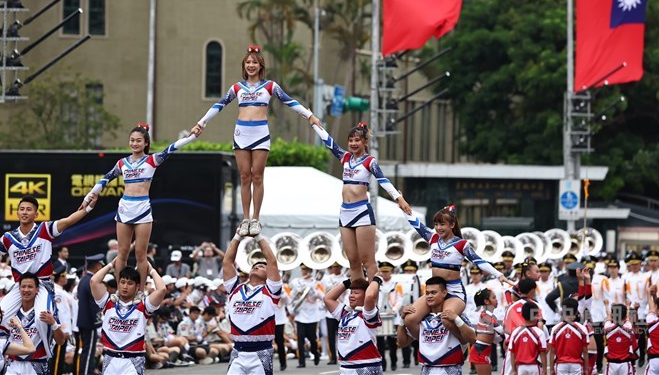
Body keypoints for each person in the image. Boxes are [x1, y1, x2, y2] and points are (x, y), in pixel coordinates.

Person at [192, 45, 322, 237]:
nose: (251, 65)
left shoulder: (270, 86)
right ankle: (245, 219)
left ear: (261, 66)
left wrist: (309, 115)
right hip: (241, 134)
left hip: (260, 134)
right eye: (248, 62)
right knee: (244, 176)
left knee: (257, 176)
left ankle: (256, 219)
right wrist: (201, 123)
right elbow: (219, 105)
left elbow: (290, 101)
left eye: (254, 62)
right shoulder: (237, 87)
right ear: (244, 66)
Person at [0, 196, 92, 351]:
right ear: (17, 213)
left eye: (28, 209)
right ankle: (3, 347)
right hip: (20, 286)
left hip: (42, 284)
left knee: (41, 317)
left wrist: (88, 208)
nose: (24, 212)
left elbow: (68, 220)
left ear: (36, 214)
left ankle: (45, 351)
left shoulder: (45, 229)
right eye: (21, 209)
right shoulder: (8, 238)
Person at [83, 124, 197, 287]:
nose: (134, 143)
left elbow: (171, 148)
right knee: (121, 253)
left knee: (140, 254)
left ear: (145, 143)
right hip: (124, 208)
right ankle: (119, 288)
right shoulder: (122, 163)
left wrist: (192, 136)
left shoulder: (152, 160)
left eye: (138, 141)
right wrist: (89, 196)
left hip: (142, 208)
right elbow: (106, 178)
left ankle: (141, 289)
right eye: (132, 140)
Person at [311, 123, 412, 281]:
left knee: (368, 261)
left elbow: (383, 180)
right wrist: (313, 121)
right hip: (345, 212)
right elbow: (328, 141)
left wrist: (399, 199)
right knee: (352, 261)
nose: (353, 143)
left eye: (357, 140)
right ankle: (358, 299)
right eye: (350, 140)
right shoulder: (345, 158)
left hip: (362, 212)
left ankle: (373, 301)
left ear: (365, 142)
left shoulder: (369, 161)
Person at [403, 205, 509, 332]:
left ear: (452, 224)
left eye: (442, 224)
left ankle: (464, 340)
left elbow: (478, 260)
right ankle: (427, 344)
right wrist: (402, 204)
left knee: (446, 319)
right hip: (434, 291)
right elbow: (415, 223)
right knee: (409, 319)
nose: (438, 228)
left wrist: (498, 274)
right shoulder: (433, 238)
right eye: (436, 224)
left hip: (454, 292)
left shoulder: (461, 244)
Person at [89, 258, 168, 374]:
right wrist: (112, 264)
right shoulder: (108, 303)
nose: (125, 286)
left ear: (137, 287)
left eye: (130, 283)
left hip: (133, 360)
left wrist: (151, 270)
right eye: (122, 282)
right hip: (110, 358)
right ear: (118, 283)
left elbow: (162, 290)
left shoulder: (143, 306)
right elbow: (94, 281)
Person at [223, 226, 282, 375]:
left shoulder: (271, 290)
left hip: (261, 352)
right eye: (254, 266)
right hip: (237, 351)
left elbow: (272, 262)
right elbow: (227, 262)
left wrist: (258, 236)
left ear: (268, 273)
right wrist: (237, 237)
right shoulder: (235, 289)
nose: (257, 267)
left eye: (262, 266)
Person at [400, 276, 477, 374]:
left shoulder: (456, 315)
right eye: (427, 293)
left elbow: (473, 339)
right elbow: (402, 343)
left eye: (433, 292)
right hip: (426, 369)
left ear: (444, 293)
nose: (429, 296)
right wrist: (402, 319)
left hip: (450, 369)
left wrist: (456, 319)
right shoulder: (421, 318)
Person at [4, 273, 66, 375]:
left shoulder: (46, 313)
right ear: (19, 289)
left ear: (37, 289)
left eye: (30, 287)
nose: (26, 290)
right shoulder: (10, 312)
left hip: (37, 364)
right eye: (23, 286)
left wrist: (53, 323)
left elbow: (61, 341)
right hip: (13, 364)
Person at [323, 274, 383, 374]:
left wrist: (377, 279)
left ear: (364, 295)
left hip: (366, 366)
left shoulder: (368, 314)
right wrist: (347, 282)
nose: (351, 295)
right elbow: (328, 298)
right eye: (351, 292)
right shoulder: (344, 313)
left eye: (356, 293)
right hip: (345, 366)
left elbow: (370, 296)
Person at [290, 263, 324, 367]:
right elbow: (292, 296)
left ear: (310, 270)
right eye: (303, 269)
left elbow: (322, 296)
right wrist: (297, 293)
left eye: (306, 269)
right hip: (300, 315)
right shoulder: (297, 281)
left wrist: (313, 290)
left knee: (312, 339)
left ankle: (315, 353)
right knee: (300, 338)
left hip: (312, 316)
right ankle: (302, 362)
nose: (303, 271)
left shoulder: (315, 282)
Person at [75, 254, 104, 375]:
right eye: (101, 266)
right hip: (89, 322)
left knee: (87, 350)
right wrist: (98, 322)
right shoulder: (92, 281)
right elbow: (94, 304)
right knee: (89, 352)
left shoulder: (84, 279)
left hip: (83, 321)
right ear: (97, 266)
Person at [549, 298, 590, 375]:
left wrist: (551, 369)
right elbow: (585, 351)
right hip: (577, 365)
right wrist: (586, 369)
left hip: (561, 365)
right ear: (576, 312)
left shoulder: (555, 329)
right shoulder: (582, 329)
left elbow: (552, 351)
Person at [506, 301, 547, 375]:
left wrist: (514, 370)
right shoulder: (540, 332)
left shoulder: (515, 332)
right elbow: (542, 353)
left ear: (521, 314)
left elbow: (512, 353)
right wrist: (544, 369)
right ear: (536, 315)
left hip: (521, 367)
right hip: (535, 367)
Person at [470, 288, 501, 375]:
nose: (496, 300)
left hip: (484, 350)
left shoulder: (489, 315)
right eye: (494, 298)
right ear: (487, 301)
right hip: (480, 350)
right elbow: (501, 331)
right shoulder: (486, 315)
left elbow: (495, 338)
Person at [603, 303, 638, 375]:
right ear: (625, 317)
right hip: (625, 365)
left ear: (613, 316)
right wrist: (628, 306)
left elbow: (609, 318)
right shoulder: (628, 328)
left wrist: (607, 305)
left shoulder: (607, 328)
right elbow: (627, 319)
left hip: (611, 365)